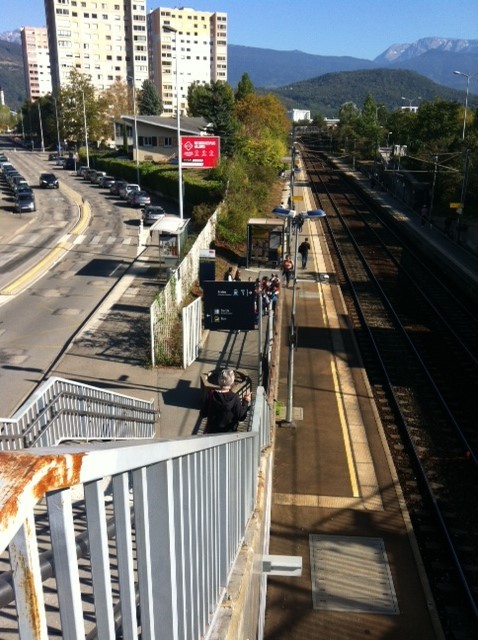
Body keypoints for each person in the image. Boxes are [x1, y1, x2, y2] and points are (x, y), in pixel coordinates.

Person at [202, 368, 252, 433]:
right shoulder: (234, 398)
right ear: (232, 382)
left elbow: (203, 413)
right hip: (229, 434)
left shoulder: (211, 395)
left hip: (212, 433)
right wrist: (245, 402)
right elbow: (241, 417)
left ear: (219, 381)